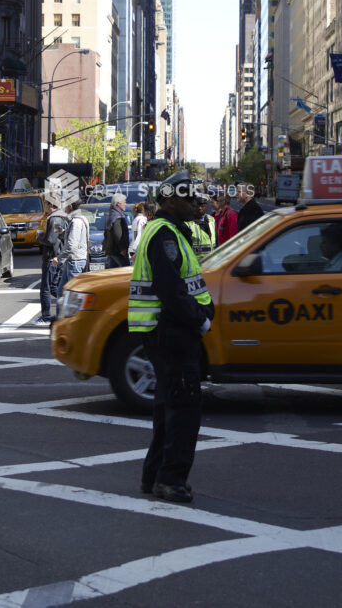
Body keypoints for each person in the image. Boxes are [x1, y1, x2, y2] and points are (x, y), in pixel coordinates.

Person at [128, 170, 214, 504]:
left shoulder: (172, 232)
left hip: (168, 331)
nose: (196, 203)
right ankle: (171, 481)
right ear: (169, 200)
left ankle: (154, 477)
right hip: (172, 332)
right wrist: (200, 320)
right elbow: (172, 291)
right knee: (184, 408)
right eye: (189, 197)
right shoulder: (164, 234)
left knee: (168, 407)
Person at [33, 202, 70, 327]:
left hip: (51, 256)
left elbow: (51, 240)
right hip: (57, 255)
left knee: (46, 288)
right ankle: (68, 306)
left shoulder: (54, 218)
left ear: (50, 206)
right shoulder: (61, 217)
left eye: (45, 205)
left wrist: (39, 237)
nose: (44, 208)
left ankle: (46, 316)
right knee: (55, 287)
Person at [61, 201, 89, 286]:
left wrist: (58, 258)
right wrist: (62, 233)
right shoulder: (82, 218)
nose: (64, 208)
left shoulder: (76, 222)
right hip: (74, 260)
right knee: (62, 291)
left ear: (70, 206)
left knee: (75, 292)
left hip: (75, 261)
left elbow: (72, 246)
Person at [104, 193, 131, 268]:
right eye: (124, 202)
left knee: (113, 275)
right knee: (126, 273)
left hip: (113, 251)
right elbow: (118, 234)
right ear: (118, 203)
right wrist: (123, 249)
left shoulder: (113, 213)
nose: (125, 204)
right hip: (118, 252)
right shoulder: (117, 216)